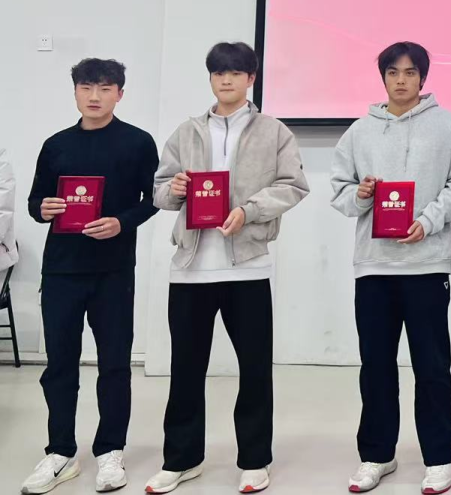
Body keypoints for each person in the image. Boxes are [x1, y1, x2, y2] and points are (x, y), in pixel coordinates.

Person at [146, 42, 309, 495]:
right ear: (211, 77)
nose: (226, 79)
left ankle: (255, 460)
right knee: (185, 371)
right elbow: (159, 190)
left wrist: (249, 210)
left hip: (247, 269)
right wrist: (176, 189)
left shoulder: (274, 131)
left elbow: (294, 185)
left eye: (236, 72)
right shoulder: (187, 131)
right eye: (219, 72)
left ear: (251, 78)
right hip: (191, 269)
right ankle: (181, 460)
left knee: (254, 370)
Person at [330, 41, 451, 495]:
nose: (402, 80)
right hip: (374, 265)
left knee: (432, 366)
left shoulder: (447, 125)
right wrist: (361, 195)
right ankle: (377, 455)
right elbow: (340, 191)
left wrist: (426, 222)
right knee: (375, 366)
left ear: (423, 78)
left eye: (411, 72)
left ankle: (439, 457)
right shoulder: (360, 131)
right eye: (393, 72)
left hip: (427, 264)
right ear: (384, 77)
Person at [20, 58, 158, 495]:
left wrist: (121, 222)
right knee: (60, 364)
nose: (94, 96)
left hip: (113, 271)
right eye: (86, 87)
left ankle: (110, 450)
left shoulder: (138, 142)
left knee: (114, 364)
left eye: (105, 88)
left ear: (120, 93)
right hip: (62, 269)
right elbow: (36, 201)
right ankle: (61, 452)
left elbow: (152, 199)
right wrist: (42, 209)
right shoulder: (56, 144)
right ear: (75, 91)